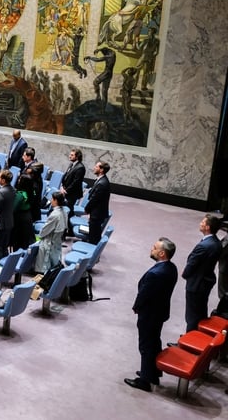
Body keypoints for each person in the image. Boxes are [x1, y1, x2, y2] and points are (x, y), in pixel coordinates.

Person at [124, 238, 178, 392]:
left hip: (149, 313)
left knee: (146, 345)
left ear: (162, 253)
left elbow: (144, 294)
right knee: (154, 342)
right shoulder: (171, 268)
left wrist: (136, 307)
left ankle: (145, 381)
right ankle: (152, 372)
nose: (151, 249)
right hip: (160, 312)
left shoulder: (155, 274)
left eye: (154, 248)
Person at [182, 214, 222, 331]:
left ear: (208, 227)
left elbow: (192, 264)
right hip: (206, 280)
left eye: (203, 222)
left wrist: (185, 274)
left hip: (196, 284)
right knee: (200, 311)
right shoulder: (216, 243)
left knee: (192, 315)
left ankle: (189, 339)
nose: (200, 223)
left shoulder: (204, 246)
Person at [35, 192, 68, 274]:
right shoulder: (65, 212)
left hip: (48, 242)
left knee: (34, 242)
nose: (50, 200)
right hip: (57, 242)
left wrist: (39, 236)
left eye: (52, 199)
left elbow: (44, 232)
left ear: (56, 201)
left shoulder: (54, 215)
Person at [60, 148, 85, 237]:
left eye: (72, 155)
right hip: (66, 191)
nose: (70, 156)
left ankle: (66, 231)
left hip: (72, 194)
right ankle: (70, 230)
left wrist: (66, 191)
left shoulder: (80, 168)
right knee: (67, 211)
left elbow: (76, 182)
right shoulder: (72, 164)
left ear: (77, 156)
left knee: (67, 211)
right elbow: (66, 176)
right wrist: (62, 187)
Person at [85, 161, 111, 244]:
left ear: (101, 170)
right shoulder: (101, 180)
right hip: (96, 212)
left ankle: (92, 255)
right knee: (93, 235)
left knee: (94, 237)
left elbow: (94, 199)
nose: (94, 168)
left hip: (97, 214)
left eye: (96, 167)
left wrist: (87, 209)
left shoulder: (102, 183)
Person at [0, 169, 15, 260]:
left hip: (1, 224)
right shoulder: (13, 190)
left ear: (3, 180)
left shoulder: (0, 193)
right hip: (9, 222)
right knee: (4, 247)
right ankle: (5, 267)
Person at [11, 174, 36, 251]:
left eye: (20, 180)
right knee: (25, 240)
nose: (18, 181)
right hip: (28, 216)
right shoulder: (32, 192)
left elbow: (13, 209)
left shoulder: (20, 195)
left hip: (19, 219)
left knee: (18, 241)